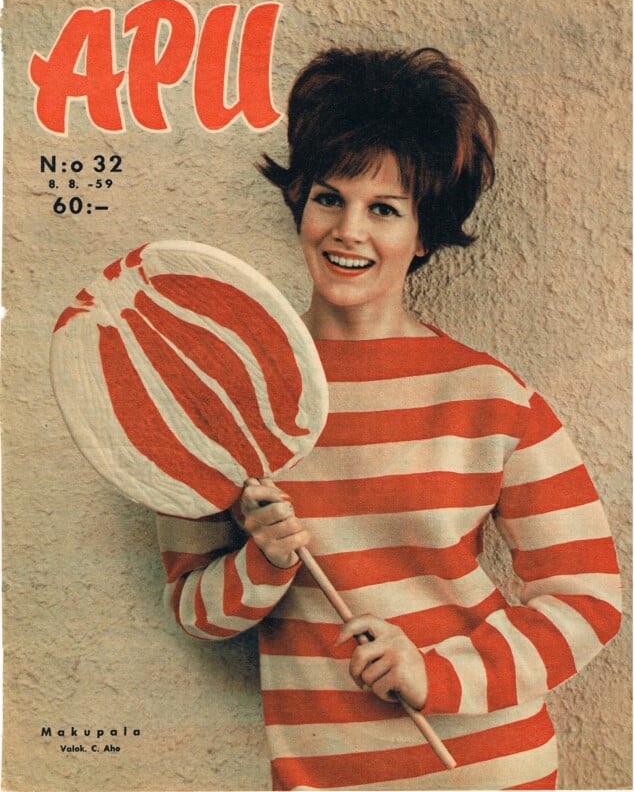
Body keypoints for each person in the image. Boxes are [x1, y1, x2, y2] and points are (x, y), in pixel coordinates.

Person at [157, 47, 622, 790]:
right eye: (329, 198)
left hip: (487, 769)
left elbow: (588, 598)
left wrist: (435, 673)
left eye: (384, 209)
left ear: (425, 233)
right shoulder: (224, 403)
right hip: (321, 776)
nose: (349, 231)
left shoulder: (491, 396)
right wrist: (263, 562)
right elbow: (193, 608)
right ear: (300, 201)